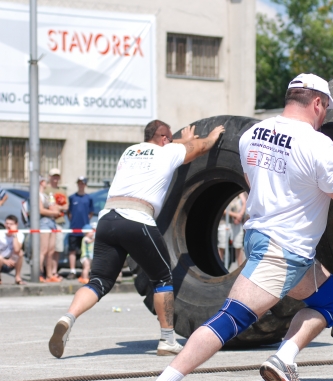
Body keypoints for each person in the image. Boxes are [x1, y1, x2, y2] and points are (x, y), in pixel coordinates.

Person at [141, 73, 333, 381]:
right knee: (230, 319)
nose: (325, 115)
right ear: (317, 103)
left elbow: (251, 179)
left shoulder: (252, 134)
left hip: (269, 241)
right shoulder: (317, 144)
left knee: (330, 299)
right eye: (326, 107)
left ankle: (284, 359)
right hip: (282, 250)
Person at [48, 119, 225, 360]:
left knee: (99, 281)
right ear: (165, 139)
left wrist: (182, 140)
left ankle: (68, 317)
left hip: (107, 220)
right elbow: (201, 148)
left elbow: (166, 145)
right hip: (136, 219)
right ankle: (167, 340)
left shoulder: (130, 151)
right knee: (162, 278)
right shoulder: (168, 152)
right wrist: (212, 136)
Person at [67, 177, 94, 279]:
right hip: (74, 228)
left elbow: (91, 213)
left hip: (85, 230)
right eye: (79, 183)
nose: (81, 185)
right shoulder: (72, 197)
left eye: (83, 183)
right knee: (72, 250)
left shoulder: (89, 198)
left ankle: (85, 271)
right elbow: (69, 213)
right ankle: (72, 271)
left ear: (85, 185)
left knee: (86, 251)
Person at [45, 169, 69, 279]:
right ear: (49, 177)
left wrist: (57, 207)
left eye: (57, 176)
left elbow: (66, 206)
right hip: (47, 222)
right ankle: (47, 271)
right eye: (54, 176)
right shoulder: (46, 190)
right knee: (47, 249)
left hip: (59, 222)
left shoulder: (62, 191)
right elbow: (47, 206)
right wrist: (58, 208)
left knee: (57, 249)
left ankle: (54, 272)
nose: (55, 178)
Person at [39, 176, 62, 282]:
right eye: (45, 181)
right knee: (43, 250)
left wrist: (56, 208)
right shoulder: (37, 195)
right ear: (41, 182)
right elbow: (41, 210)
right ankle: (39, 273)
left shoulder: (45, 195)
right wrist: (54, 212)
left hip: (51, 222)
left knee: (51, 251)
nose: (46, 183)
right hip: (44, 222)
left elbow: (53, 207)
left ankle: (49, 275)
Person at [217, 192, 247, 270]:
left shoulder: (239, 194)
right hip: (224, 222)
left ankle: (240, 268)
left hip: (237, 222)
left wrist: (240, 215)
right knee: (222, 246)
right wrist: (236, 215)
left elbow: (244, 202)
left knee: (238, 246)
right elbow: (222, 209)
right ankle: (218, 267)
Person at [0, 215, 25, 285]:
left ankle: (17, 277)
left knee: (20, 253)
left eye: (11, 224)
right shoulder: (1, 234)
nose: (8, 226)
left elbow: (17, 250)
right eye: (7, 223)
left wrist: (14, 234)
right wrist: (4, 260)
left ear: (16, 225)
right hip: (1, 259)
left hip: (12, 259)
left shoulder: (19, 235)